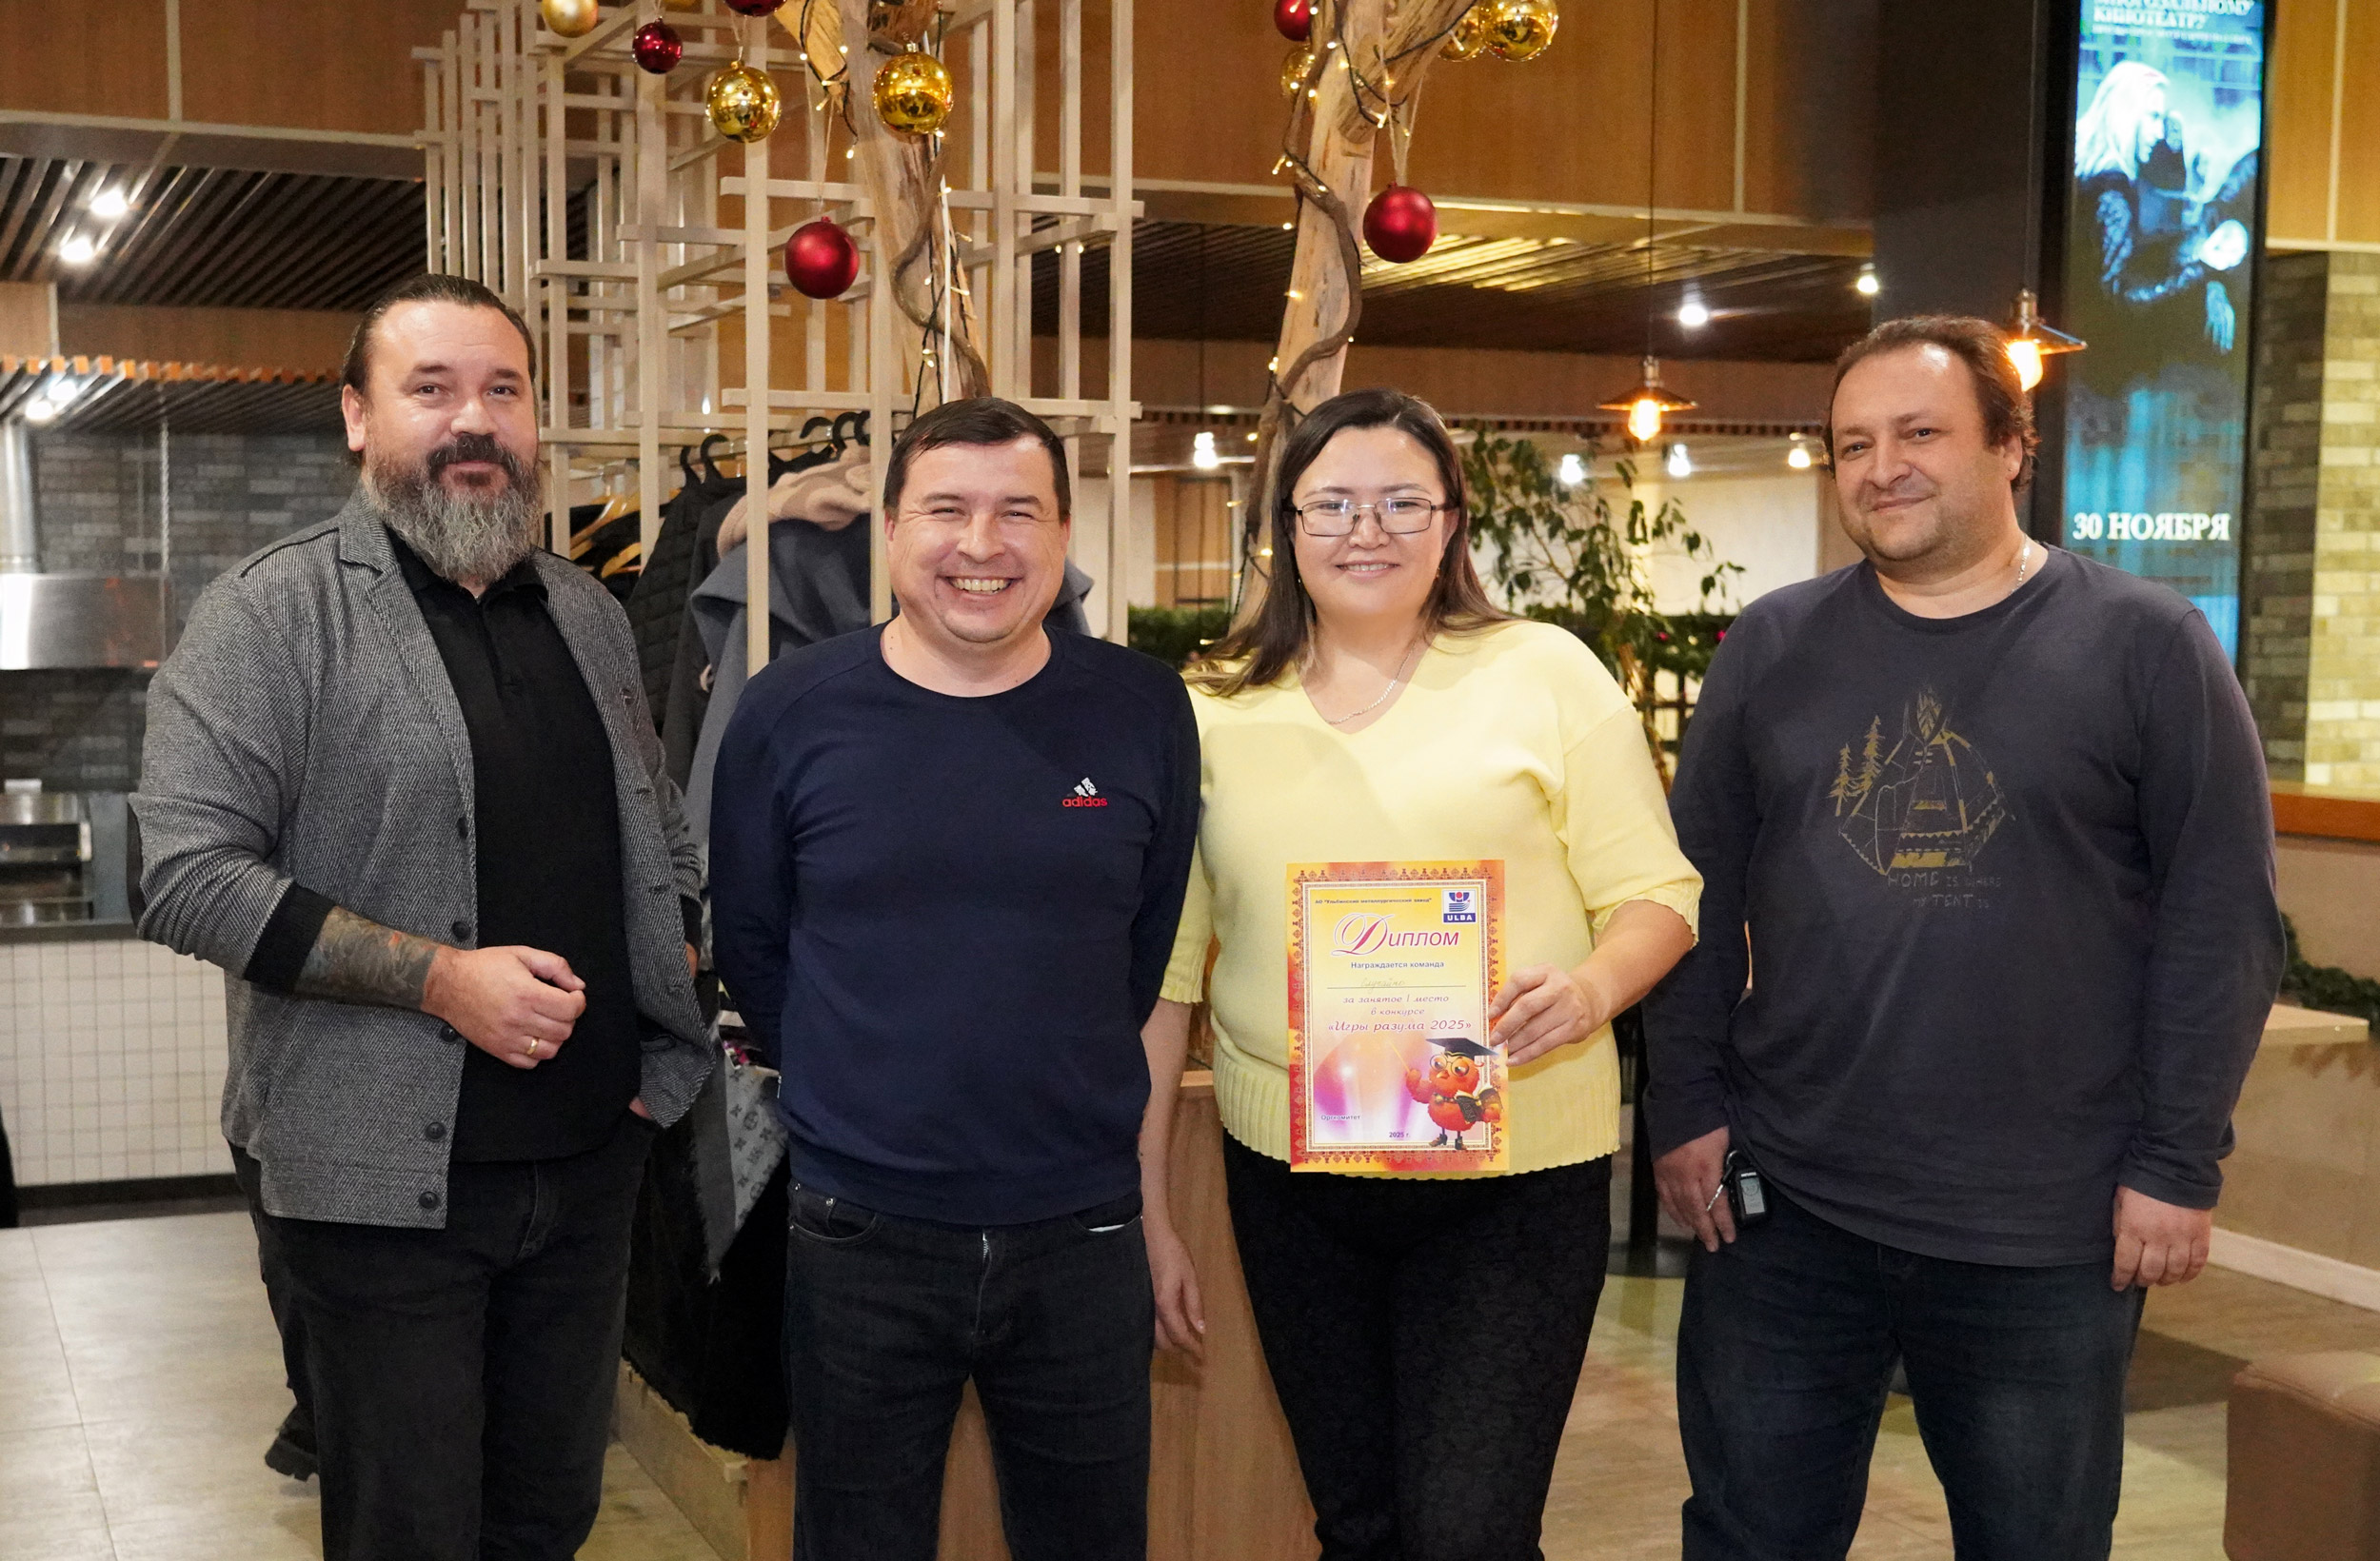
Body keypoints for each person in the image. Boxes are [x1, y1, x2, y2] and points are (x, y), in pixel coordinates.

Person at [1643, 315, 2283, 1561]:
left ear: (2011, 447)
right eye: (1853, 444)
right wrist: (1686, 1106)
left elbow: (2222, 918)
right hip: (1785, 1205)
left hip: (2045, 1223)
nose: (1882, 468)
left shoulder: (2147, 644)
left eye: (1919, 434)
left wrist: (2176, 1160)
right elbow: (1691, 892)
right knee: (1748, 1537)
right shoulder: (1772, 645)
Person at [134, 272, 713, 1561]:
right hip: (376, 1194)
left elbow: (658, 821)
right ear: (357, 416)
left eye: (504, 390)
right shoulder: (272, 613)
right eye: (432, 389)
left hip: (587, 1169)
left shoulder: (587, 613)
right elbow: (181, 871)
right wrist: (440, 980)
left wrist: (667, 953)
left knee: (548, 1518)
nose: (474, 421)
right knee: (412, 1532)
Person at [1148, 387, 1701, 1561]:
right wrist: (1147, 1199)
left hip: (1514, 1172)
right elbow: (1170, 976)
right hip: (1291, 1174)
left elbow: (1660, 897)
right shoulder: (1211, 708)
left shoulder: (1545, 673)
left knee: (1468, 1530)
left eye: (1403, 501)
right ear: (1284, 526)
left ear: (1452, 521)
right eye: (1332, 504)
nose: (1367, 530)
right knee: (1356, 1523)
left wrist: (1590, 991)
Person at [707, 395, 1200, 1561]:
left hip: (1083, 1228)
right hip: (859, 1230)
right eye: (946, 509)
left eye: (1018, 511)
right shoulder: (788, 711)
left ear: (1064, 534)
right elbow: (756, 950)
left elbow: (1141, 947)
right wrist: (859, 1092)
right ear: (889, 530)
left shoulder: (1142, 707)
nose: (982, 543)